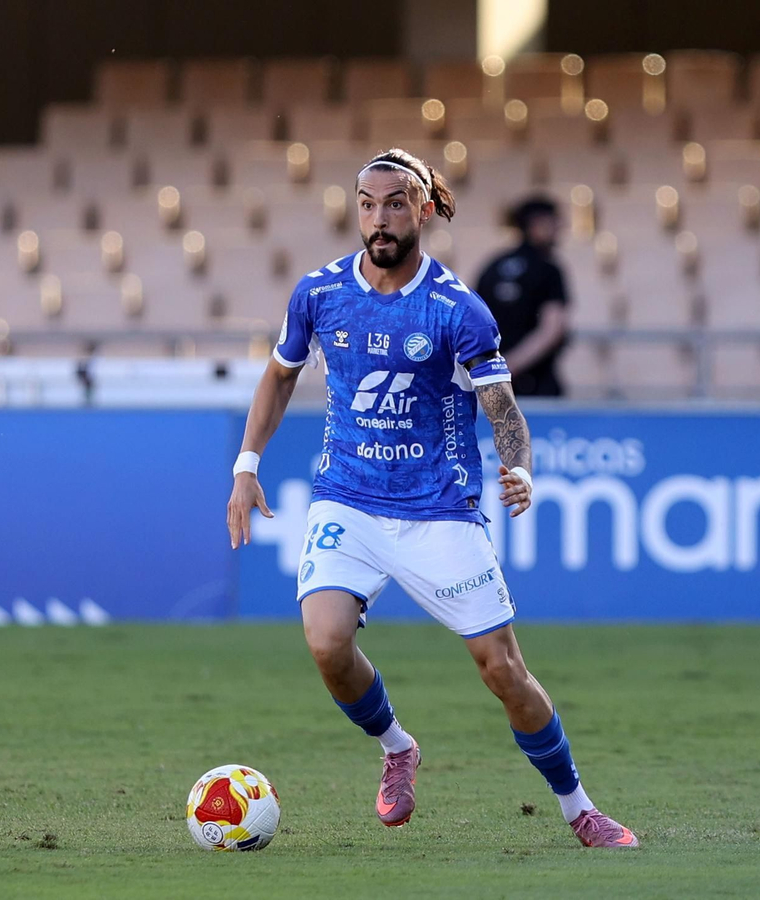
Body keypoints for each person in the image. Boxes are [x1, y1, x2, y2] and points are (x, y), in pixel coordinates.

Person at [224, 149, 637, 849]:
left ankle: (580, 809)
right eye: (366, 203)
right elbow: (280, 374)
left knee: (502, 669)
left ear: (422, 209)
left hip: (437, 511)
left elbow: (501, 404)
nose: (378, 218)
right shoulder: (320, 293)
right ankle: (397, 748)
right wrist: (246, 464)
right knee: (327, 643)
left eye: (393, 203)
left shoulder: (456, 309)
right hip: (346, 500)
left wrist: (521, 468)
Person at [473, 196, 570, 396]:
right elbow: (552, 330)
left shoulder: (493, 266)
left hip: (493, 387)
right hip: (537, 384)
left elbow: (471, 324)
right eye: (553, 222)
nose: (559, 228)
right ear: (536, 224)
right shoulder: (548, 269)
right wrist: (511, 367)